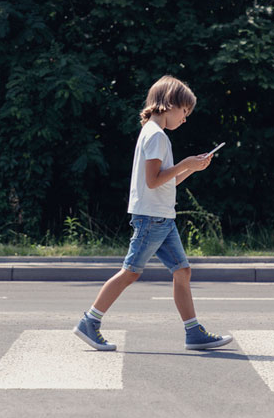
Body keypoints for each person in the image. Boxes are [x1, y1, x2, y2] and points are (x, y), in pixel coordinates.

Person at [73, 75, 232, 351]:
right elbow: (153, 180)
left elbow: (163, 181)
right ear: (170, 104)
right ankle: (90, 321)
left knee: (182, 271)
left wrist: (191, 168)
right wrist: (184, 163)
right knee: (130, 272)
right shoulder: (157, 136)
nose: (185, 119)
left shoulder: (152, 132)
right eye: (185, 112)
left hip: (162, 217)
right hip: (152, 218)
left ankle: (193, 332)